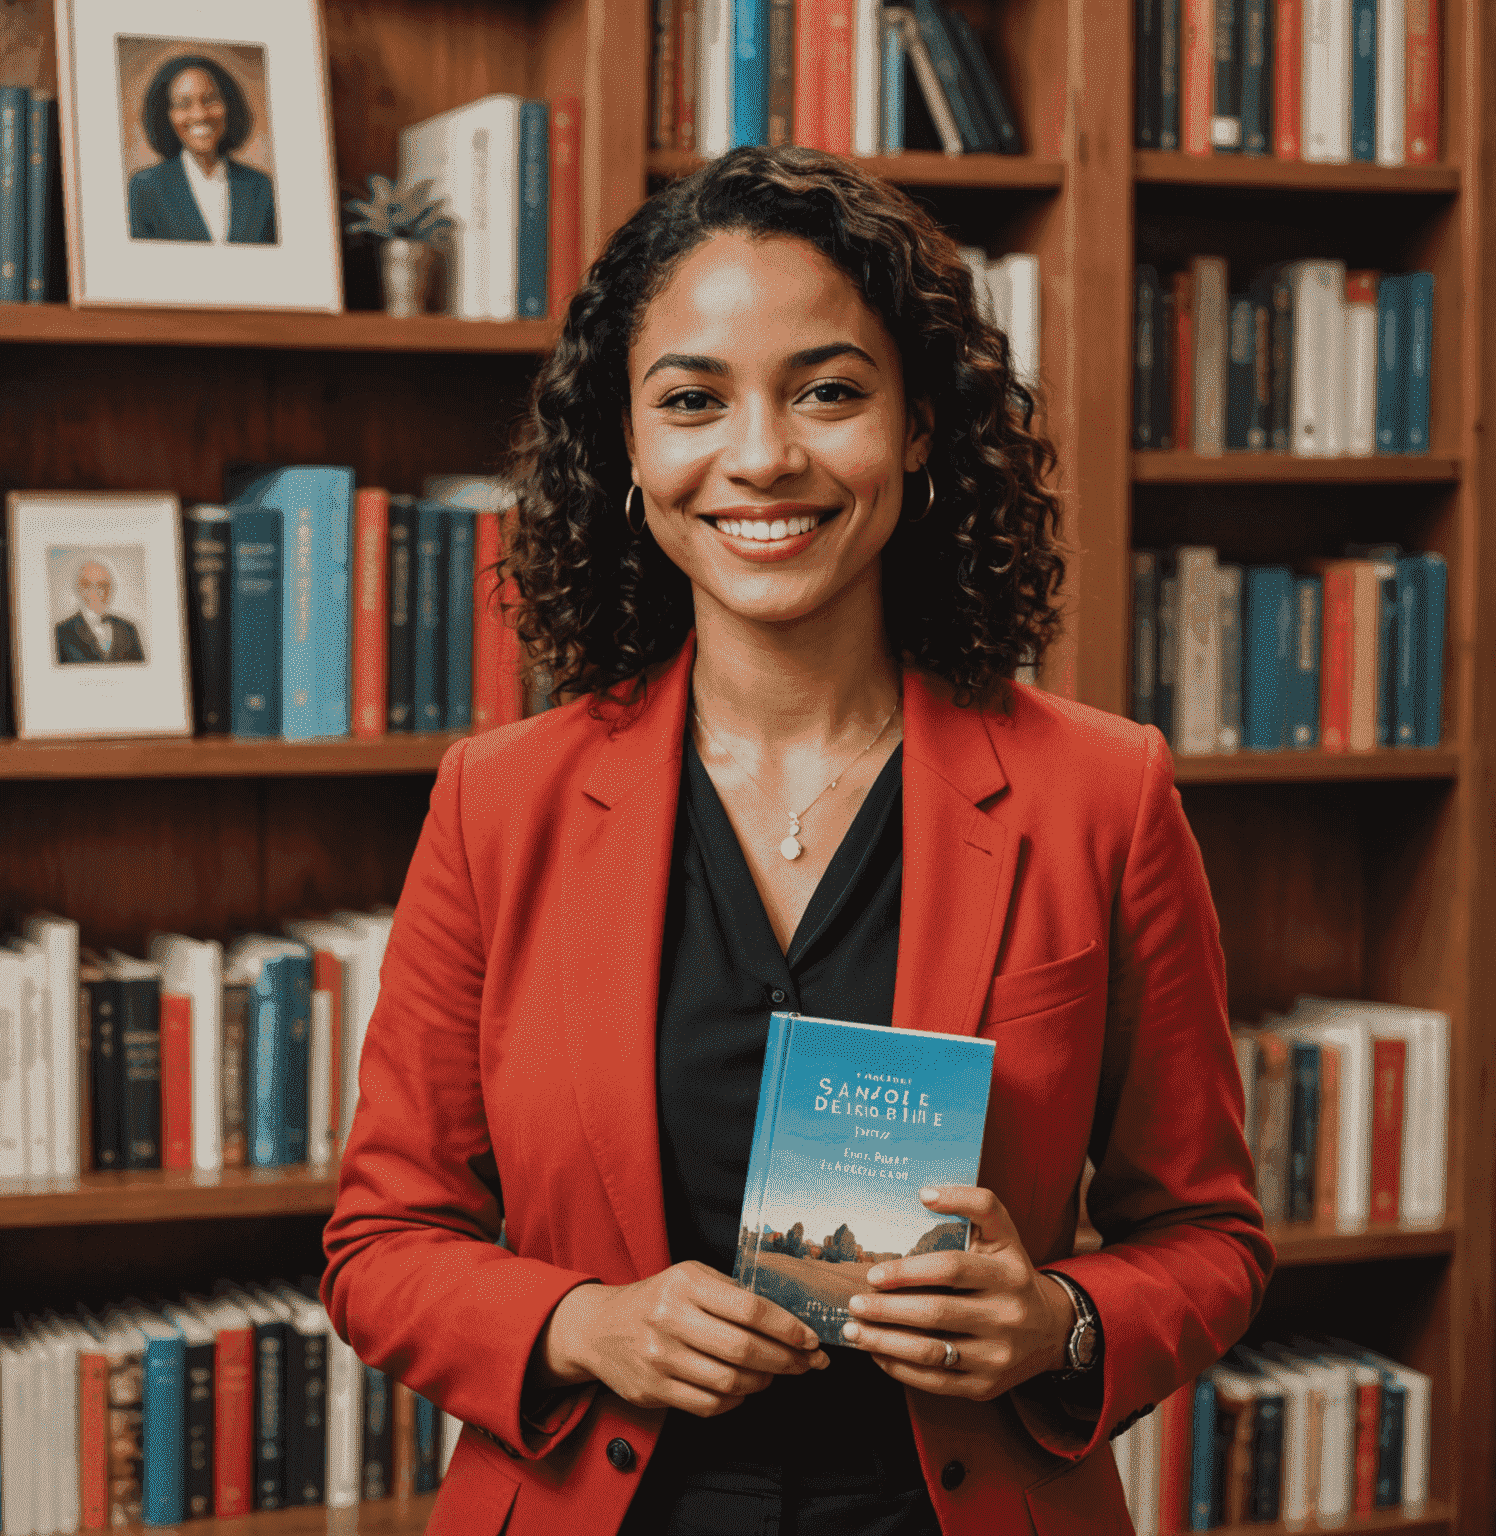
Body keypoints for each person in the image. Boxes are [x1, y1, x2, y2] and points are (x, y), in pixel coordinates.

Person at [322, 147, 1272, 1536]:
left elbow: (1214, 1241)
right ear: (630, 449)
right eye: (694, 401)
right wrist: (582, 1325)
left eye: (829, 392)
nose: (761, 455)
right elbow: (379, 1244)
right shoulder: (498, 800)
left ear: (922, 426)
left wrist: (1059, 1321)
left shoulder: (1103, 795)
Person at [126, 54, 276, 245]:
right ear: (166, 115)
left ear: (228, 106)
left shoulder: (260, 187)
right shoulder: (146, 188)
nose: (200, 114)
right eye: (183, 104)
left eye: (210, 99)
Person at [55, 559, 144, 665]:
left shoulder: (128, 629)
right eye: (88, 585)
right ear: (79, 589)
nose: (99, 591)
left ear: (111, 589)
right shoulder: (62, 631)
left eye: (104, 585)